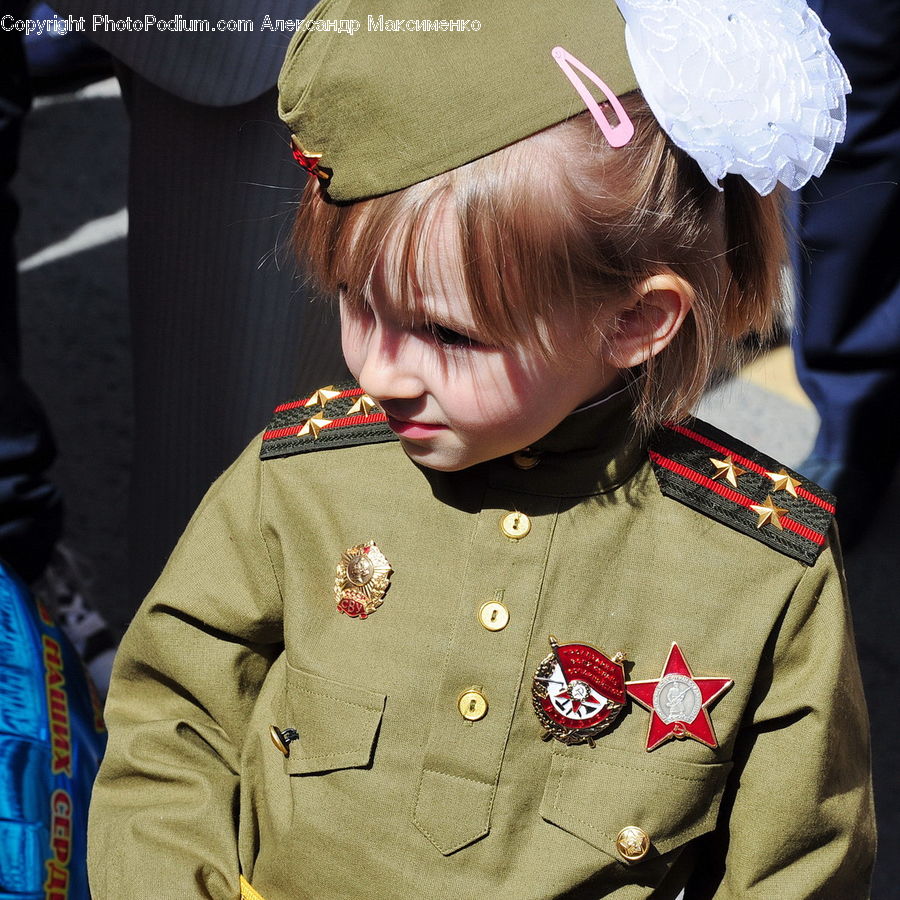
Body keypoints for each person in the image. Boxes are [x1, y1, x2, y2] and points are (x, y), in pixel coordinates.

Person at [86, 2, 875, 897]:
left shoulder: (761, 570)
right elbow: (173, 724)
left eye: (448, 335)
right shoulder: (301, 481)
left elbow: (800, 869)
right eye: (355, 300)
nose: (379, 371)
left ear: (635, 319)